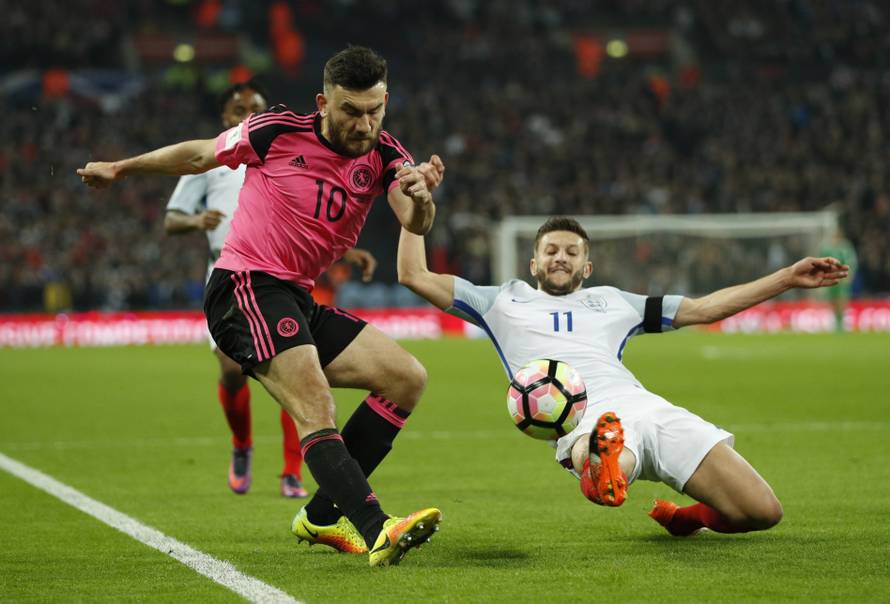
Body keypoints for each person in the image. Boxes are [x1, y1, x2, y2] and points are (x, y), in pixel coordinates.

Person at [78, 46, 446, 566]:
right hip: (244, 286)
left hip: (295, 296)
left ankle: (321, 516)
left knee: (406, 378)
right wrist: (121, 168)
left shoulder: (386, 154)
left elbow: (414, 218)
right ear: (323, 103)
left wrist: (424, 199)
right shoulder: (276, 130)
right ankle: (376, 527)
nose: (365, 124)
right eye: (351, 111)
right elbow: (200, 155)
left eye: (375, 110)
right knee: (316, 405)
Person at [397, 216, 848, 536]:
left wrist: (786, 279)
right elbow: (413, 274)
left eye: (571, 252)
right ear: (533, 264)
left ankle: (684, 517)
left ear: (587, 268)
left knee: (763, 511)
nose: (560, 258)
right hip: (580, 415)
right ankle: (603, 466)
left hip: (648, 407)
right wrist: (413, 211)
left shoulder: (614, 301)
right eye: (550, 251)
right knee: (601, 446)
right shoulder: (499, 301)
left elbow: (703, 309)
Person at [164, 79, 378, 499]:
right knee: (232, 373)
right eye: (238, 110)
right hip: (231, 278)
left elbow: (311, 220)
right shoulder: (214, 161)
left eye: (255, 109)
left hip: (282, 279)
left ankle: (291, 471)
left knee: (299, 372)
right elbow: (172, 219)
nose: (247, 115)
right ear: (224, 117)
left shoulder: (280, 150)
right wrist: (195, 221)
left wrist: (348, 253)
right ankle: (242, 445)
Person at [819, 228, 858, 332]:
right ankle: (836, 322)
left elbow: (851, 261)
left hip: (842, 278)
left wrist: (850, 275)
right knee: (833, 300)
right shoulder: (827, 248)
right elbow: (821, 263)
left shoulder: (845, 247)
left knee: (842, 300)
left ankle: (842, 323)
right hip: (830, 278)